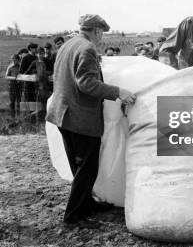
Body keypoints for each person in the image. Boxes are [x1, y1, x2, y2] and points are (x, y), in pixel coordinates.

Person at [46, 14, 136, 226]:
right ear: (95, 31)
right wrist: (119, 91)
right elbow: (86, 83)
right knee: (87, 167)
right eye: (101, 32)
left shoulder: (69, 45)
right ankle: (73, 216)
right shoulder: (86, 49)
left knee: (78, 166)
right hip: (80, 117)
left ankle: (86, 204)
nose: (101, 37)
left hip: (62, 114)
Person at [5, 54, 22, 120]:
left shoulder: (20, 67)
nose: (14, 61)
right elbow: (6, 76)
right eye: (13, 59)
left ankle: (18, 116)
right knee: (12, 102)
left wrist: (20, 79)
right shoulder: (10, 67)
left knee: (19, 102)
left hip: (19, 85)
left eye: (15, 59)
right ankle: (13, 116)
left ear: (18, 60)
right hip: (12, 85)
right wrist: (14, 78)